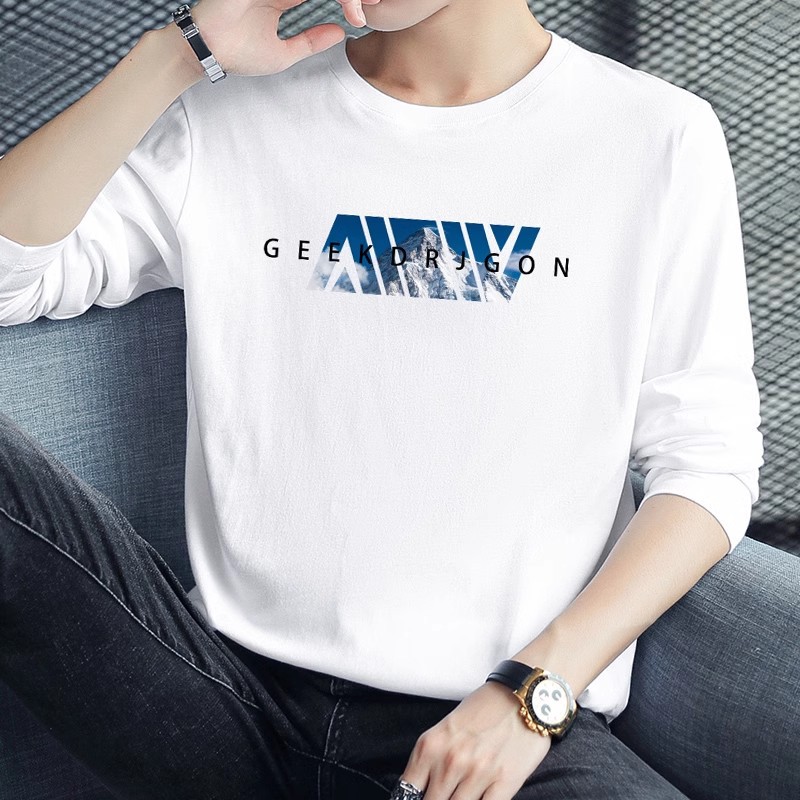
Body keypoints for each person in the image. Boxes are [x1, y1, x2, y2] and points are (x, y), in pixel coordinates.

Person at [0, 0, 764, 798]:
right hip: (219, 694)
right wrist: (180, 54)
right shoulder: (228, 121)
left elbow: (706, 466)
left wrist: (535, 691)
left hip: (482, 728)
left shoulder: (654, 136)